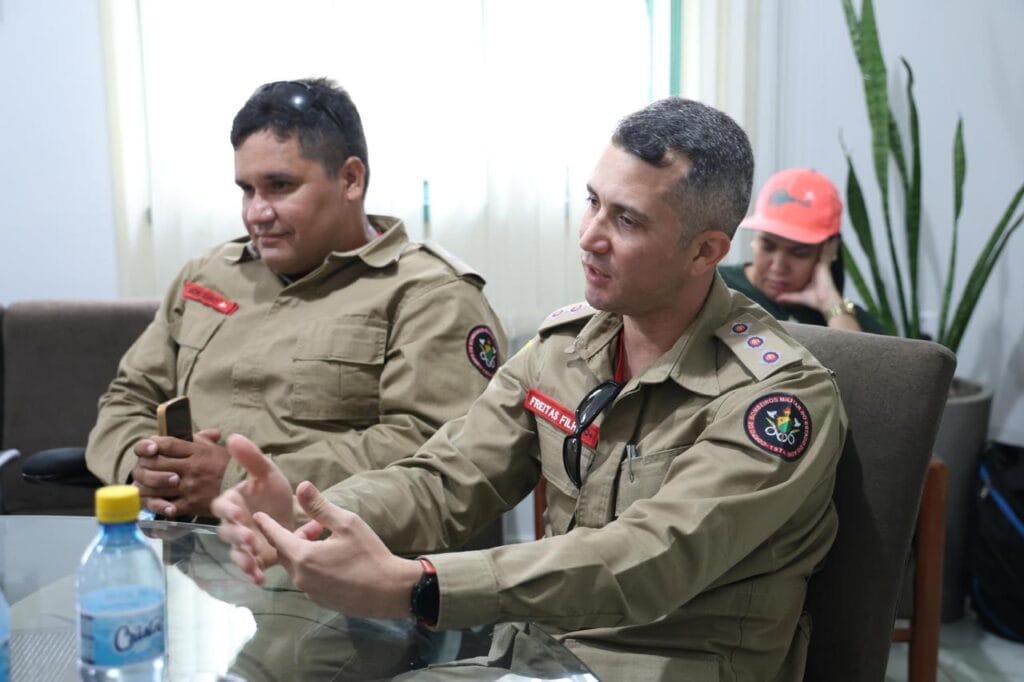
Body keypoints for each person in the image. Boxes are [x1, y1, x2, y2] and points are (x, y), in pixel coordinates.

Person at [212, 98, 848, 680]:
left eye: (626, 220)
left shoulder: (779, 400)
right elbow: (447, 477)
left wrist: (420, 584)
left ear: (706, 250)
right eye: (592, 201)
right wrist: (315, 513)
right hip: (538, 658)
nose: (590, 236)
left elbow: (649, 557)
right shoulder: (566, 348)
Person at [85, 78, 506, 520]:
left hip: (329, 554)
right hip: (181, 547)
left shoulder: (428, 293)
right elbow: (127, 397)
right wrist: (144, 469)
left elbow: (433, 450)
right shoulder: (208, 275)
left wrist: (239, 484)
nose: (256, 213)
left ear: (350, 179)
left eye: (280, 186)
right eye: (246, 189)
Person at [718, 168, 885, 333]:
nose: (778, 266)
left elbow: (856, 358)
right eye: (768, 246)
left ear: (828, 251)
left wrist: (830, 304)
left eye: (799, 253)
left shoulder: (851, 320)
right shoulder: (714, 285)